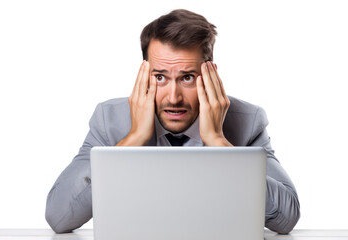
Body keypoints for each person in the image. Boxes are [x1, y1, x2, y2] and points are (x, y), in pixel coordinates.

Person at [45, 9, 300, 234]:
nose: (174, 97)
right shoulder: (109, 119)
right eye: (160, 77)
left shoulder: (247, 122)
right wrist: (131, 140)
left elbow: (287, 219)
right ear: (144, 74)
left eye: (187, 77)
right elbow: (59, 217)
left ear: (209, 74)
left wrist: (220, 145)